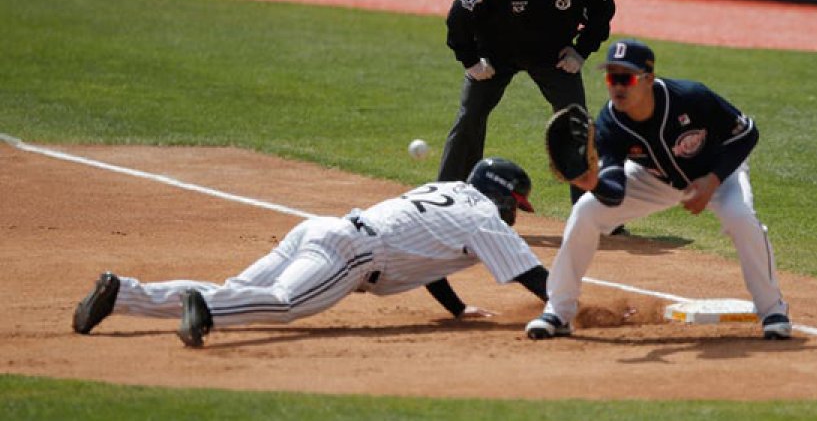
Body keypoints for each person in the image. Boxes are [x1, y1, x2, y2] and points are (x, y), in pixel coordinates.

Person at [72, 158, 550, 348]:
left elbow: (430, 261)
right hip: (354, 254)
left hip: (321, 229)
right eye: (518, 206)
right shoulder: (483, 217)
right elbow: (532, 276)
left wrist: (458, 308)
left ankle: (124, 295)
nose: (516, 215)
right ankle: (208, 311)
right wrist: (570, 309)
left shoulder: (448, 191)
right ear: (505, 195)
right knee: (284, 305)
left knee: (239, 291)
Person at [524, 39, 792, 340]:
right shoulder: (611, 122)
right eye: (612, 77)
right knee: (586, 210)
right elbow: (616, 190)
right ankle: (558, 311)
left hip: (718, 173)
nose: (617, 87)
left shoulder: (692, 97)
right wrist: (595, 184)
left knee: (739, 217)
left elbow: (747, 135)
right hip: (655, 179)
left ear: (648, 79)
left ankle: (773, 310)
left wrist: (712, 180)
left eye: (625, 77)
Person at [437, 0, 616, 207]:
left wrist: (581, 51)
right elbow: (458, 18)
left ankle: (591, 206)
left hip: (553, 56)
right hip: (495, 56)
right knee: (470, 117)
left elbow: (603, 13)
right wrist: (470, 60)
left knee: (577, 123)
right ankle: (446, 199)